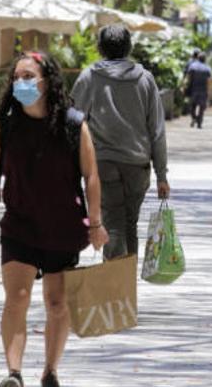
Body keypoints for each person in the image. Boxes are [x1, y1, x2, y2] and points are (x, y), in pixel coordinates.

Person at [0, 52, 109, 387]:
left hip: (63, 226)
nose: (22, 83)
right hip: (19, 224)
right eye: (17, 77)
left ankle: (50, 370)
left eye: (29, 76)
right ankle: (14, 373)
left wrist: (95, 223)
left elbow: (91, 175)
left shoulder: (74, 124)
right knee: (16, 297)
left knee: (56, 302)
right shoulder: (4, 126)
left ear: (47, 81)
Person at [71, 24, 171, 260]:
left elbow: (73, 119)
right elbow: (157, 130)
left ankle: (118, 285)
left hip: (103, 163)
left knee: (113, 222)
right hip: (137, 165)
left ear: (100, 47)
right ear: (129, 47)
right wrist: (162, 175)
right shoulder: (145, 79)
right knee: (129, 223)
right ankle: (125, 285)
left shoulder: (89, 77)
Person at [184, 50, 212, 129]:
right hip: (203, 91)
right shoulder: (208, 69)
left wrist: (185, 87)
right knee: (201, 108)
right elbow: (209, 82)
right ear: (205, 59)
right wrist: (210, 93)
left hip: (194, 90)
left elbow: (188, 78)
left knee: (192, 106)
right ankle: (199, 123)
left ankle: (194, 118)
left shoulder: (192, 66)